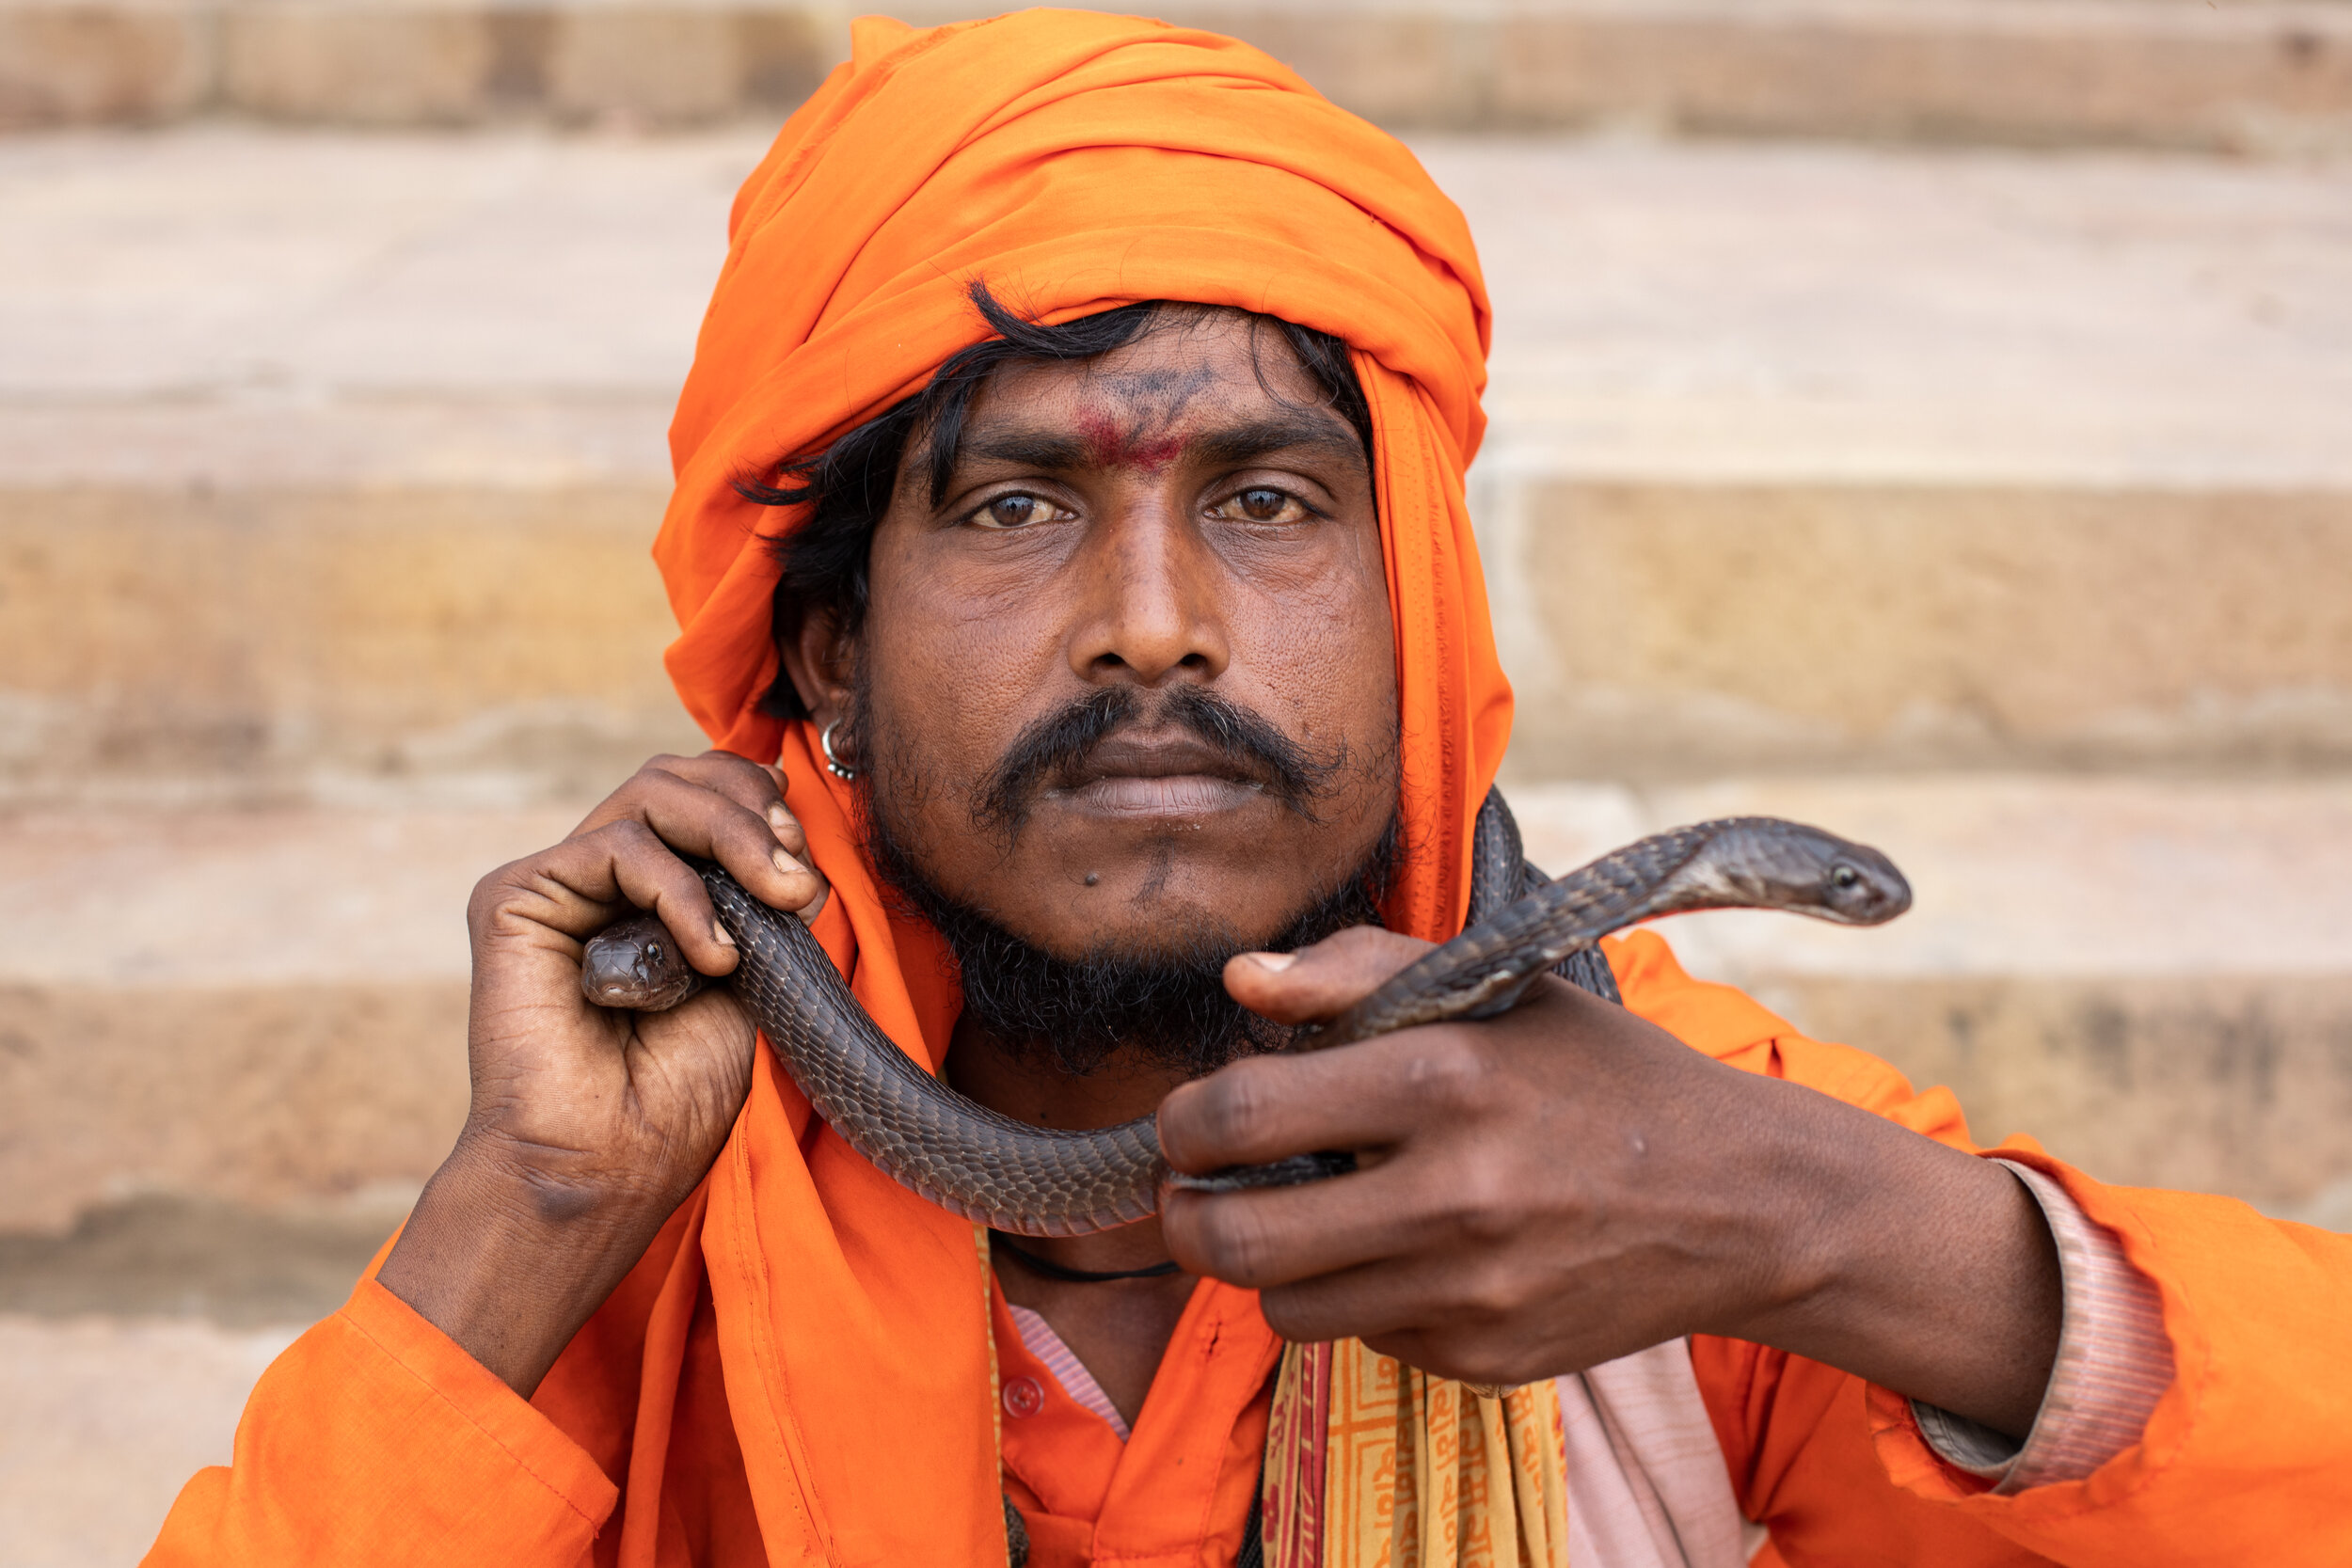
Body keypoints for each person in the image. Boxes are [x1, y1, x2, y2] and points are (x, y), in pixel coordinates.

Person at [147, 12, 2348, 1566]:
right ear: (822, 649)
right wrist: (517, 1220)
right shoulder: (623, 1235)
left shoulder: (1646, 1151)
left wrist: (1834, 1230)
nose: (1151, 625)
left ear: (1419, 611)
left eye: (1276, 506)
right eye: (1014, 510)